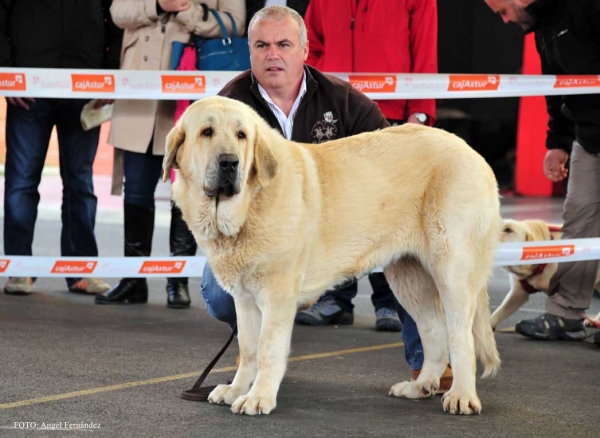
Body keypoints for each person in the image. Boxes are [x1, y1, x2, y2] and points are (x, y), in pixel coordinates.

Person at [200, 5, 450, 388]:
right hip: (259, 241)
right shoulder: (226, 106)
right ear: (249, 51)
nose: (272, 54)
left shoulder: (345, 100)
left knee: (406, 244)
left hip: (337, 230)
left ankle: (428, 363)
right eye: (262, 45)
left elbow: (391, 161)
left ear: (305, 50)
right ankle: (256, 358)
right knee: (218, 293)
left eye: (284, 44)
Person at [296, 0, 438, 332]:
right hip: (333, 108)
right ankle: (335, 297)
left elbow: (425, 49)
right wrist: (312, 94)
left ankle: (389, 301)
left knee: (390, 212)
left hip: (392, 110)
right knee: (337, 210)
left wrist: (420, 110)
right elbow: (311, 45)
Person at [95, 0, 245, 307]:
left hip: (190, 94)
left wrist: (186, 11)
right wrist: (158, 4)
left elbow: (235, 24)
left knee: (189, 190)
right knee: (135, 187)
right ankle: (132, 279)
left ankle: (178, 281)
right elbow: (118, 12)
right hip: (139, 92)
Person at [485, 0, 600, 341]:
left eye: (503, 11)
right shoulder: (543, 31)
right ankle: (565, 313)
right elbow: (557, 90)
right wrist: (558, 143)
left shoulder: (584, 7)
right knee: (579, 219)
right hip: (588, 135)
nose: (505, 20)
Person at [0, 0, 121, 296]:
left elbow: (115, 16)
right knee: (21, 181)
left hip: (86, 84)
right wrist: (8, 73)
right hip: (28, 86)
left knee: (80, 182)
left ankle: (80, 271)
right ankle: (19, 269)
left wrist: (111, 74)